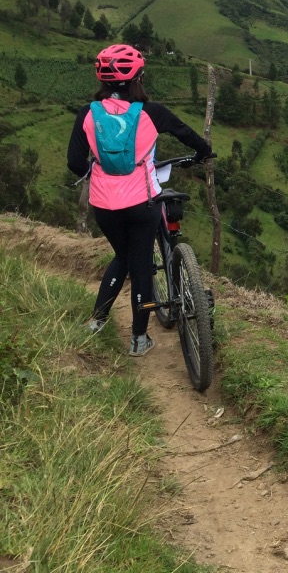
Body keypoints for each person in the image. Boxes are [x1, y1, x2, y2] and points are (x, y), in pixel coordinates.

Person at [67, 44, 213, 356]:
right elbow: (188, 135)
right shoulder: (151, 113)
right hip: (141, 202)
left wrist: (100, 165)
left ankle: (98, 320)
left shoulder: (87, 114)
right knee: (142, 263)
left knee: (123, 257)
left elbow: (75, 164)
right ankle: (138, 339)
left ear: (103, 81)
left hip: (104, 204)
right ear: (139, 78)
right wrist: (203, 153)